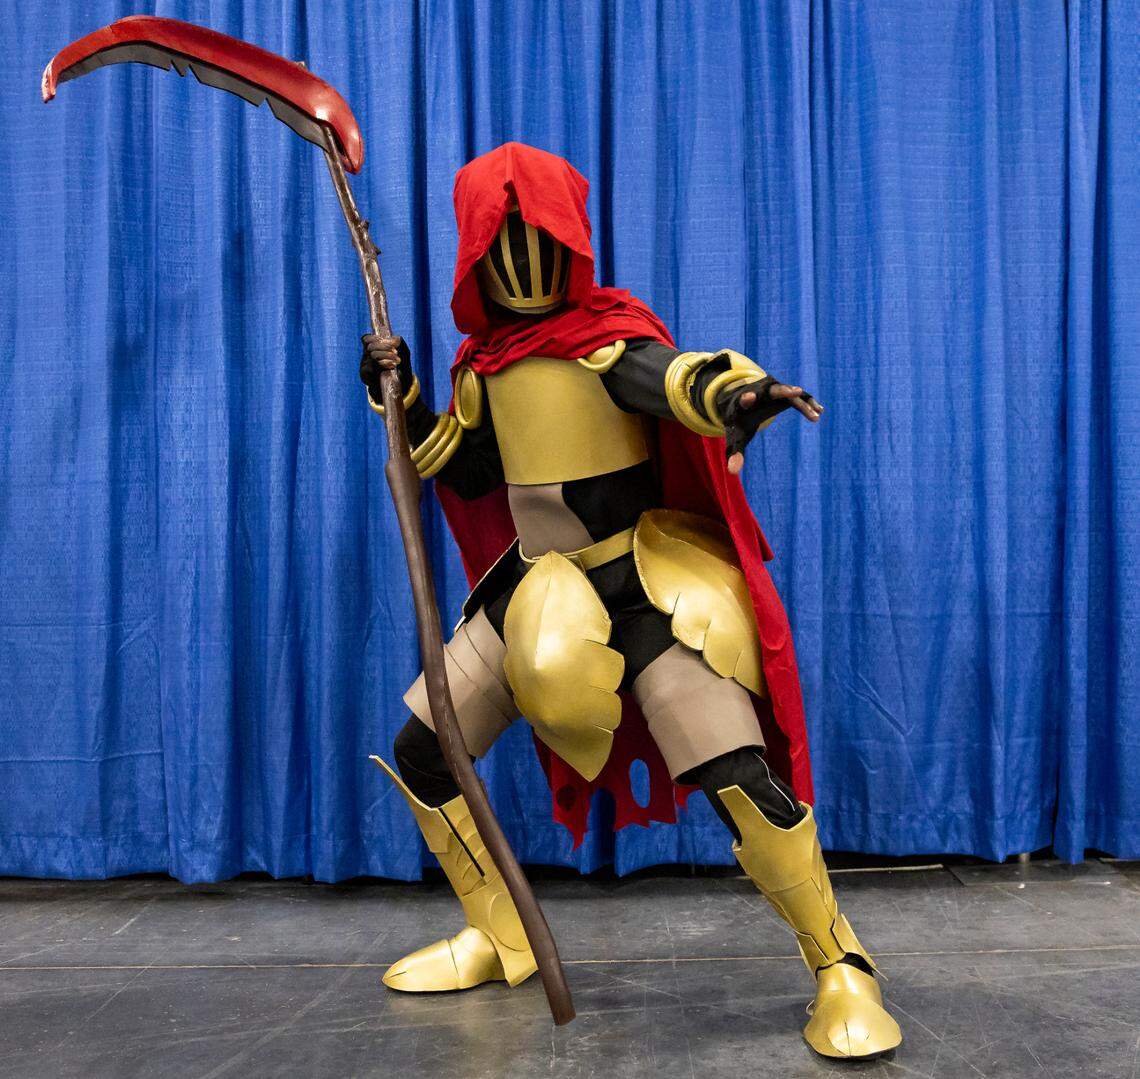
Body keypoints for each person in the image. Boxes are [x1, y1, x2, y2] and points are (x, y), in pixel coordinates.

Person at [361, 142, 900, 1059]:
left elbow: (677, 378)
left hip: (641, 586)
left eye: (534, 234)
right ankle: (504, 933)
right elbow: (465, 467)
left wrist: (742, 391)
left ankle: (841, 963)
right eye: (503, 236)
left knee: (735, 773)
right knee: (424, 749)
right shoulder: (482, 371)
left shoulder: (607, 340)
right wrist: (405, 400)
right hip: (535, 588)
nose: (519, 256)